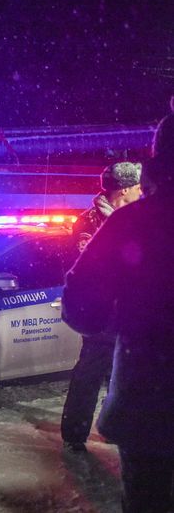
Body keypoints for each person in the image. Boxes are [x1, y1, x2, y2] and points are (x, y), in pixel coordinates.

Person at [62, 113, 174, 511]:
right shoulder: (102, 220)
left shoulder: (135, 222)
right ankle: (73, 433)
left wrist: (123, 321)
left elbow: (80, 304)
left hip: (152, 405)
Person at [60, 162, 143, 452]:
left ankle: (117, 428)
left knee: (126, 375)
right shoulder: (90, 222)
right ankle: (75, 433)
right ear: (124, 190)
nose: (141, 191)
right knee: (90, 373)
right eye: (137, 187)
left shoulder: (133, 217)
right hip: (104, 314)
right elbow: (91, 268)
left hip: (130, 311)